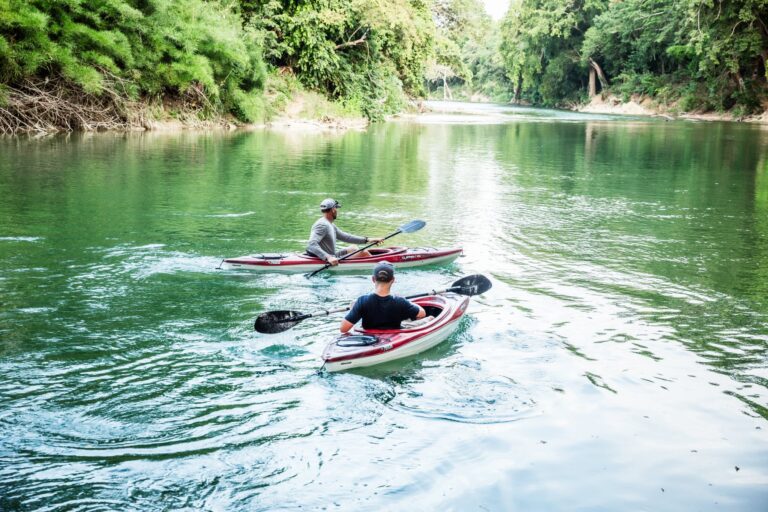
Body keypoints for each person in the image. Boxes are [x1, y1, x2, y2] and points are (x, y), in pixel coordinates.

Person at [340, 262, 426, 333]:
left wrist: (353, 308)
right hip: (393, 335)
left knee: (353, 305)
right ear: (393, 280)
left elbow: (343, 329)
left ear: (373, 279)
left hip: (370, 337)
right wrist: (408, 302)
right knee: (430, 318)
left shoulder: (362, 300)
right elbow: (422, 313)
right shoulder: (400, 301)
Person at [307, 198, 383, 266]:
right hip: (325, 259)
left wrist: (368, 240)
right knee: (364, 253)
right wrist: (328, 258)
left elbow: (346, 237)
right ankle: (378, 266)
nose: (337, 211)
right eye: (336, 208)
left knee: (353, 247)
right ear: (333, 210)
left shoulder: (329, 224)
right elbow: (311, 244)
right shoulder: (322, 225)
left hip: (332, 255)